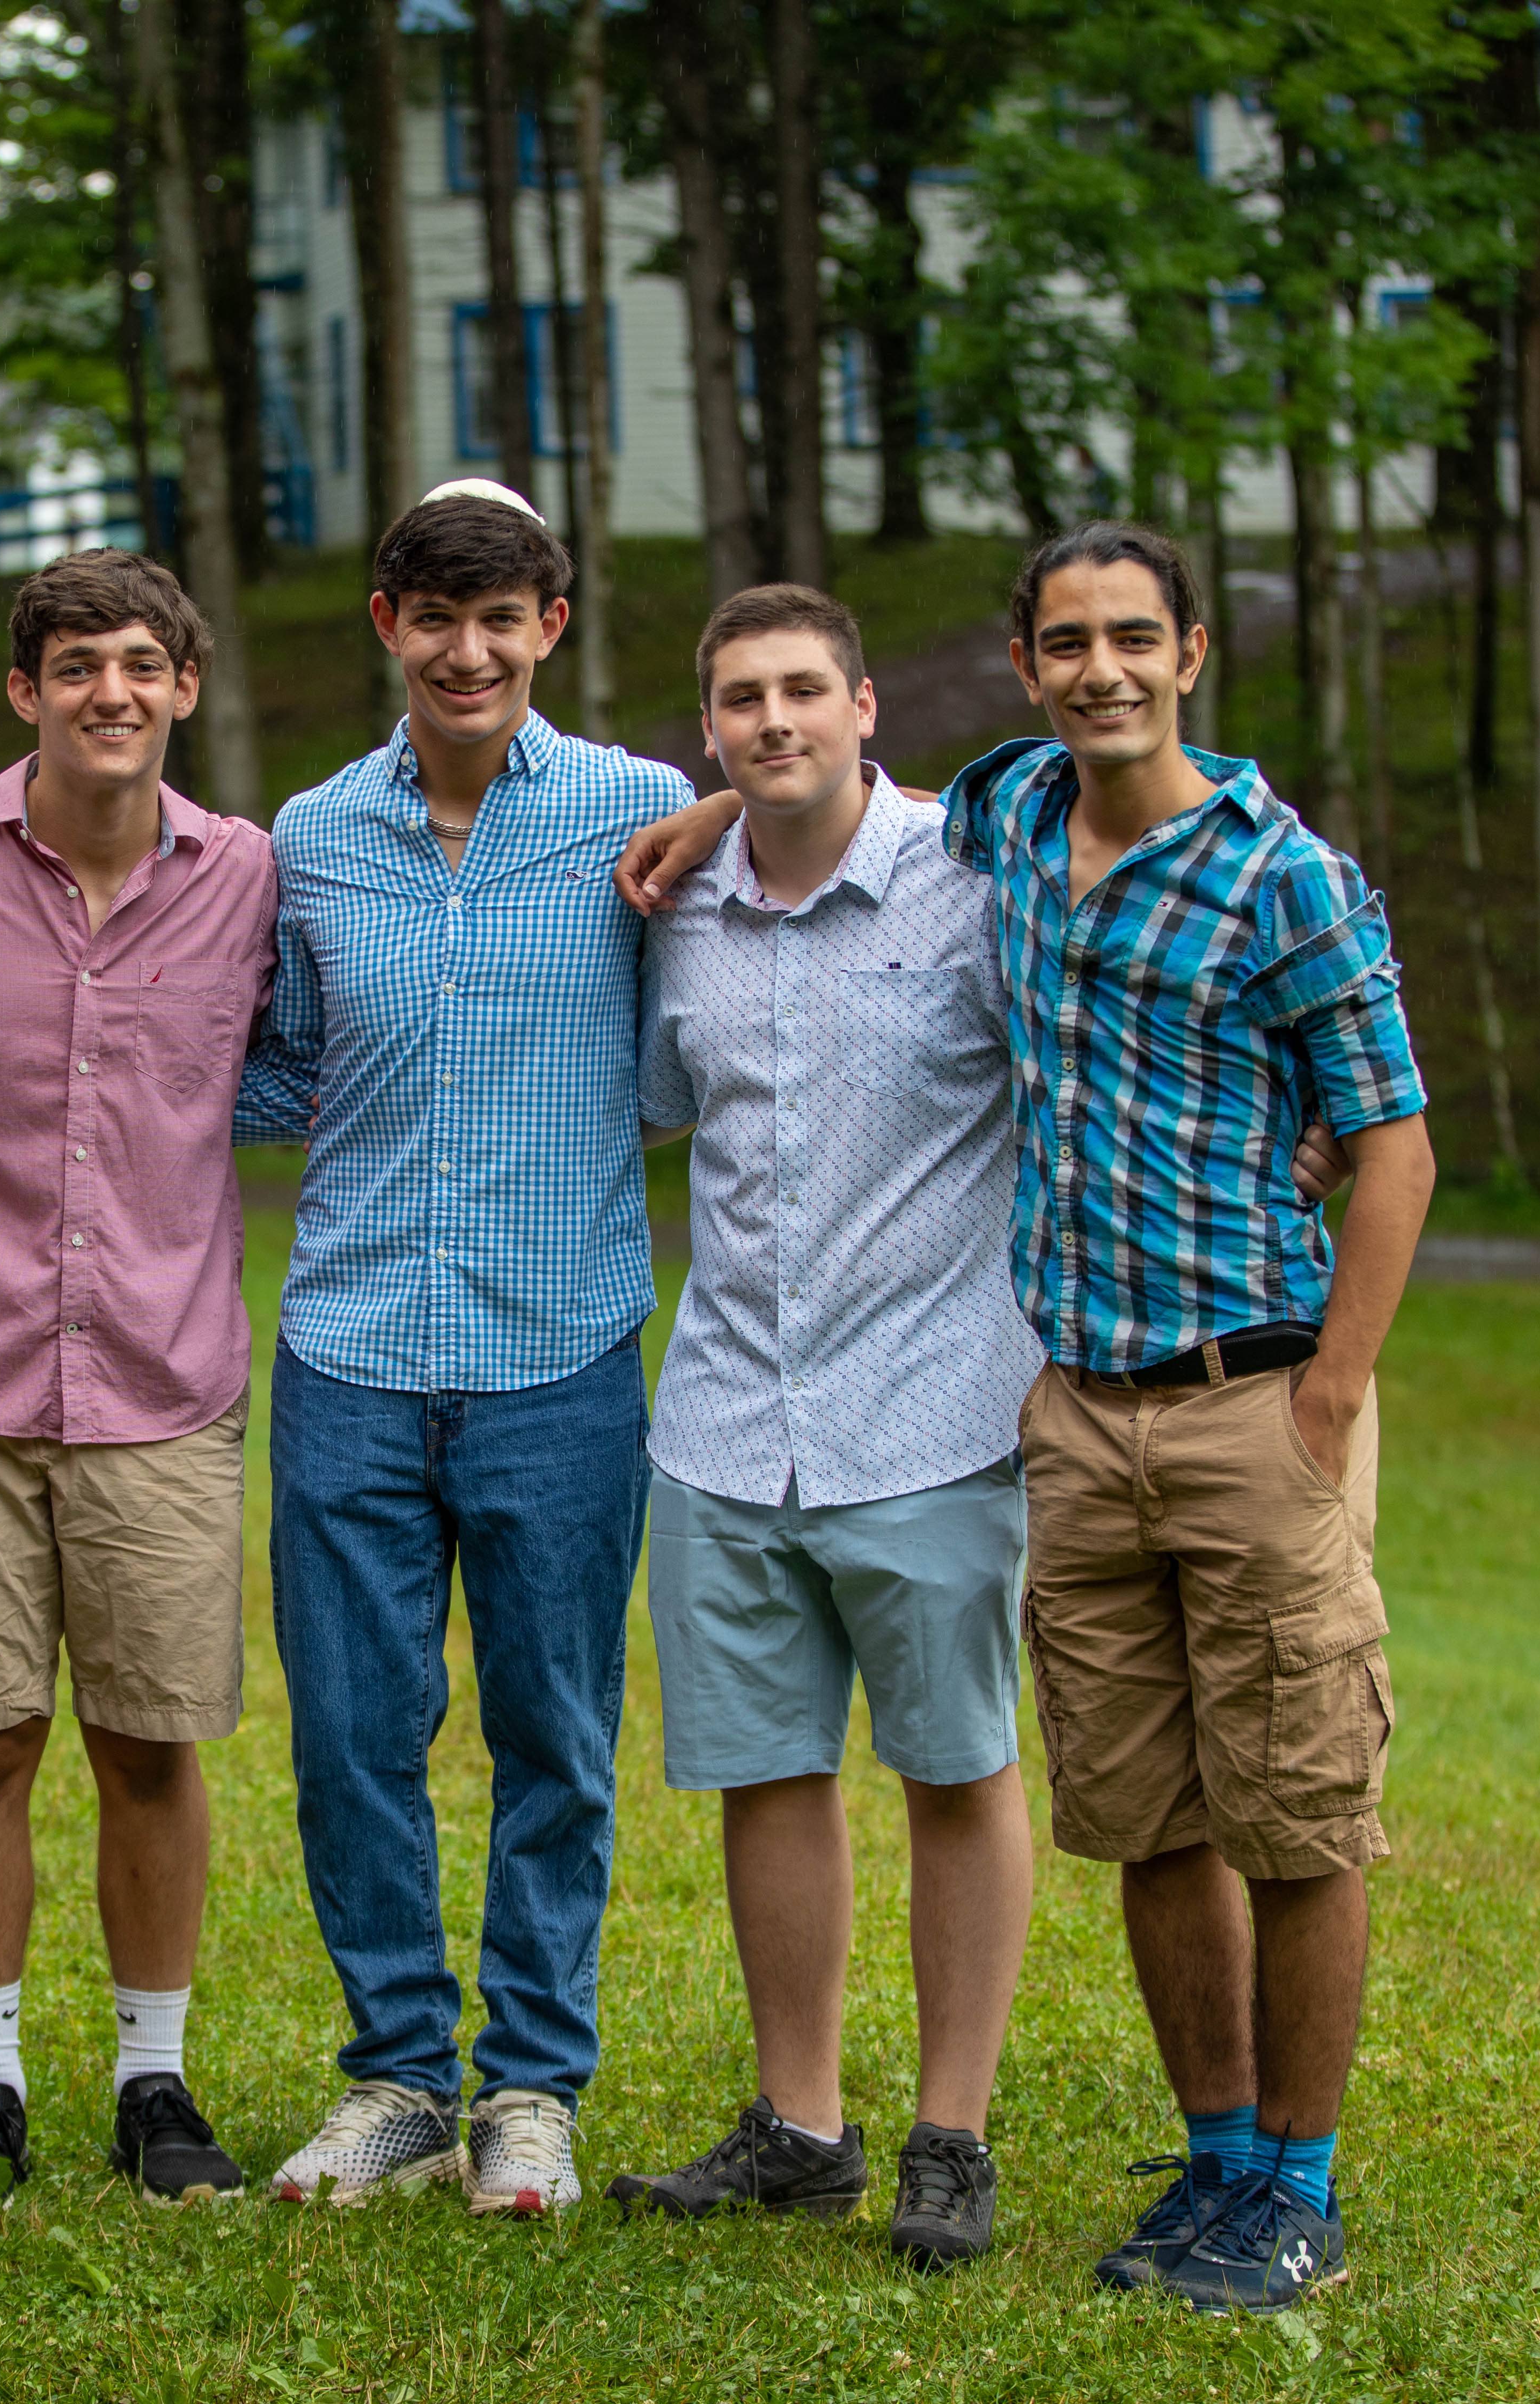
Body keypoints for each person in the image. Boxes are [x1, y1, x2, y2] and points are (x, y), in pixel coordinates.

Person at [634, 523, 1430, 2312]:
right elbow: (826, 790)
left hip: (1244, 1398)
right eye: (1068, 642)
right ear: (1024, 668)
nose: (1103, 669)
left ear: (1193, 649)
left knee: (1298, 1816)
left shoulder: (1275, 872)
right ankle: (1217, 2165)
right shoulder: (1010, 826)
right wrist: (702, 827)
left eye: (1133, 639)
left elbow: (1391, 1143)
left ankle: (1289, 2185)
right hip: (1071, 1409)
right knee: (1149, 1814)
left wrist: (1333, 1397)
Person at [233, 481, 696, 2218]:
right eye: (437, 617)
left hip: (561, 1353)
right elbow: (268, 1063)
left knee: (555, 1736)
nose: (470, 651)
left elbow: (800, 872)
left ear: (550, 631)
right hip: (351, 1349)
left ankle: (531, 2090)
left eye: (503, 619)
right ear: (386, 627)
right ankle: (398, 2078)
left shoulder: (648, 813)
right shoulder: (312, 833)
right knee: (354, 1732)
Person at [597, 587, 1044, 2267]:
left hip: (933, 1413)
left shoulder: (976, 880)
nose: (774, 720)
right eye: (739, 700)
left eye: (803, 691)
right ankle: (800, 2128)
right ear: (706, 728)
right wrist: (699, 827)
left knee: (956, 1768)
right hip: (722, 1420)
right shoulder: (675, 900)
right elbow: (653, 1107)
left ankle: (955, 2133)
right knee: (767, 1776)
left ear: (868, 705)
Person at [0, 550, 275, 2208]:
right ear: (25, 692)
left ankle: (155, 2082)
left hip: (164, 1383)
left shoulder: (248, 875)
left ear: (187, 688)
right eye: (79, 665)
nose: (115, 692)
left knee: (154, 1746)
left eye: (145, 665)